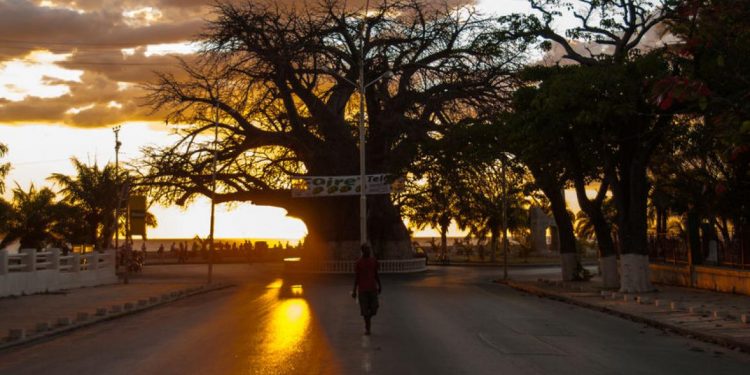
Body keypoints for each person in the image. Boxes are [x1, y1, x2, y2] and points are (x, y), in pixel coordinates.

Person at [352, 244, 381, 335]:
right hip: (363, 290)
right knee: (364, 310)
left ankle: (368, 317)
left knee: (375, 307)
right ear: (363, 251)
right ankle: (367, 327)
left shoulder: (373, 261)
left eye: (369, 249)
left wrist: (380, 285)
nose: (369, 251)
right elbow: (357, 277)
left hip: (372, 289)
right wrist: (354, 290)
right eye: (367, 250)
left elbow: (376, 274)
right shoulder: (359, 263)